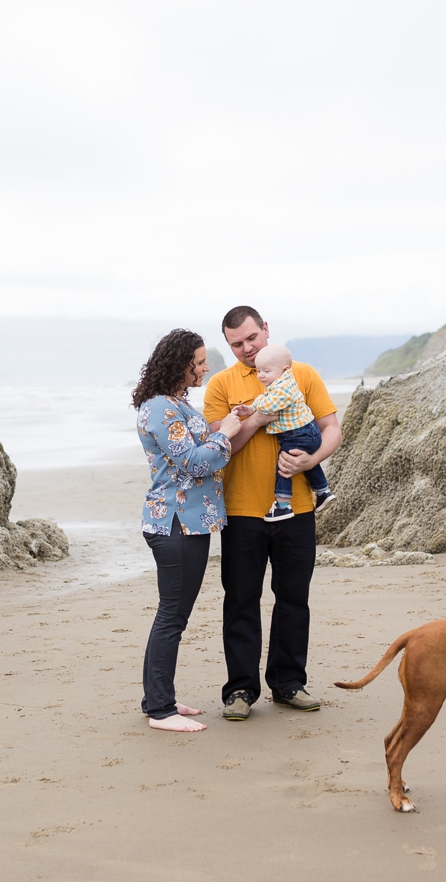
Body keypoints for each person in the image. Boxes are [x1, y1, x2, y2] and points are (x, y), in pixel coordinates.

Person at [203, 305, 343, 721]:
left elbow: (332, 428)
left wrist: (309, 459)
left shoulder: (303, 374)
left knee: (294, 599)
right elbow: (220, 449)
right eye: (236, 345)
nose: (247, 349)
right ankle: (240, 690)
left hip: (297, 508)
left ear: (266, 330)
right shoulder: (221, 384)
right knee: (241, 599)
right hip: (243, 511)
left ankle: (288, 684)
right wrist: (260, 416)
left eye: (252, 338)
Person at [132, 329, 251, 732]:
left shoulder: (175, 404)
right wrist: (227, 432)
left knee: (173, 615)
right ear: (179, 364)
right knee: (171, 616)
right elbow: (195, 463)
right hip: (175, 524)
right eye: (199, 362)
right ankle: (160, 710)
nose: (204, 368)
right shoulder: (162, 409)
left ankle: (158, 697)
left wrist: (230, 425)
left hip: (188, 524)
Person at [232, 342, 334, 521]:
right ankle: (323, 491)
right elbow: (265, 398)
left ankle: (283, 505)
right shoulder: (278, 384)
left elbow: (270, 405)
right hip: (305, 433)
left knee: (284, 467)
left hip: (299, 434)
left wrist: (255, 411)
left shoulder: (284, 387)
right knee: (303, 461)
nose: (261, 376)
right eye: (259, 371)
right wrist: (251, 409)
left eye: (266, 371)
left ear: (285, 369)